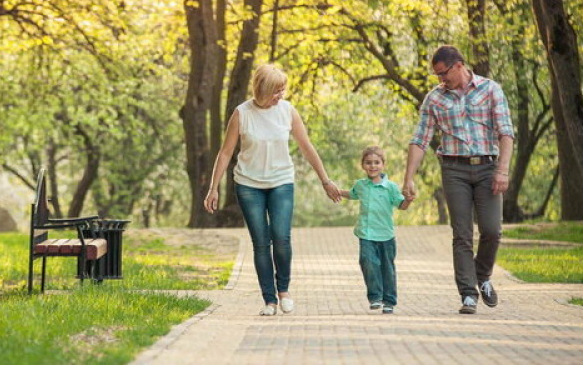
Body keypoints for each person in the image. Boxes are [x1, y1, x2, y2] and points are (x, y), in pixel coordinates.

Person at [204, 63, 342, 316]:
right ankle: (269, 300)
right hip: (248, 184)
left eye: (283, 90)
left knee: (281, 237)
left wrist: (325, 180)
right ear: (262, 89)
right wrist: (213, 188)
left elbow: (306, 147)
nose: (281, 95)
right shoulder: (241, 113)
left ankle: (284, 290)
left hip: (281, 181)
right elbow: (225, 154)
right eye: (277, 90)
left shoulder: (287, 111)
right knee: (260, 243)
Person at [402, 45, 514, 315]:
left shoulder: (490, 89)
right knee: (461, 234)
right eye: (437, 76)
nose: (441, 80)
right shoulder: (435, 99)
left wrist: (503, 170)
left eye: (443, 73)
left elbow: (506, 133)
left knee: (492, 230)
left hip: (488, 167)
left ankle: (482, 275)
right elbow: (420, 140)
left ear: (459, 65)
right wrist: (409, 178)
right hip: (454, 170)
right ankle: (468, 294)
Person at [339, 146, 412, 314]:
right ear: (363, 165)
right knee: (368, 262)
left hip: (386, 235)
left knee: (387, 268)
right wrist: (336, 191)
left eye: (376, 162)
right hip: (366, 234)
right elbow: (351, 194)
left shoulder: (391, 187)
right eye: (368, 163)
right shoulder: (360, 185)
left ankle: (389, 301)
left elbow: (401, 205)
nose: (373, 166)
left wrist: (409, 200)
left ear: (383, 165)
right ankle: (375, 297)